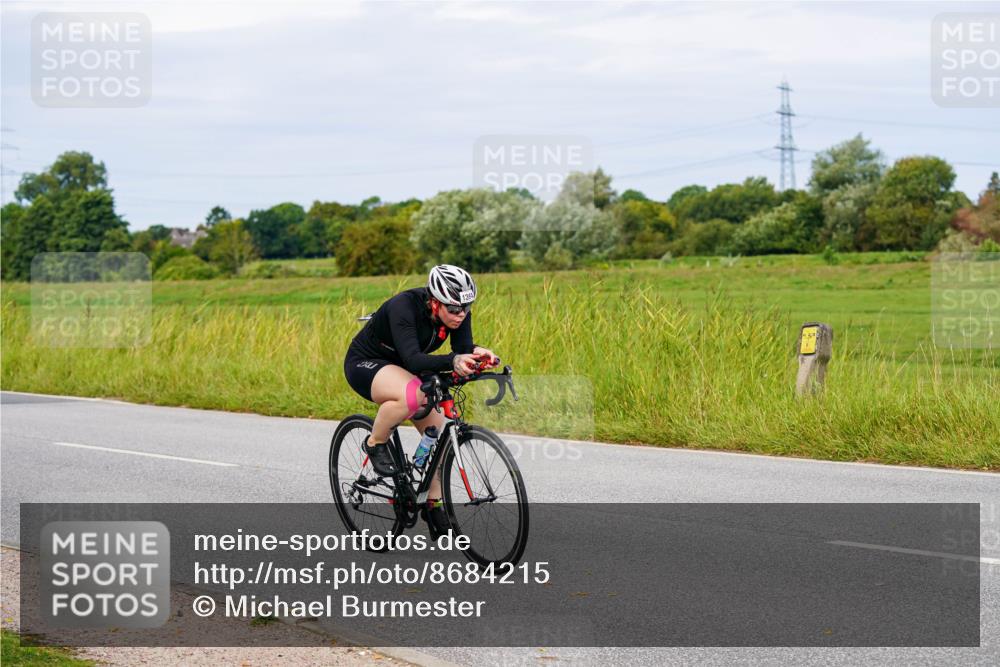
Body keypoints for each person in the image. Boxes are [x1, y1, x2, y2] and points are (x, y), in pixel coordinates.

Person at [343, 264, 498, 537]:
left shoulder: (458, 313)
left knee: (438, 431)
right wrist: (453, 361)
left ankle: (431, 503)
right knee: (412, 395)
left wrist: (476, 355)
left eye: (466, 306)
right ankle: (375, 443)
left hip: (407, 365)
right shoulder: (404, 307)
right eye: (453, 309)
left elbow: (460, 351)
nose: (461, 314)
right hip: (367, 363)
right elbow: (414, 358)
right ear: (435, 302)